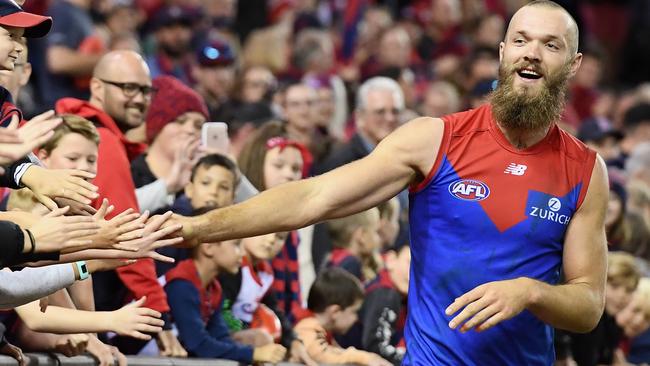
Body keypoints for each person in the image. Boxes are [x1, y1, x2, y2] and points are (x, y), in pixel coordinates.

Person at [175, 1, 608, 364]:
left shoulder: (585, 170)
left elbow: (588, 305)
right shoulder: (435, 139)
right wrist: (197, 227)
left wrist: (530, 292)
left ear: (573, 65)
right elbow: (314, 197)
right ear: (502, 53)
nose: (531, 53)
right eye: (520, 40)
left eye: (550, 45)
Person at [55, 50, 187, 357]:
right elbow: (126, 236)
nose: (140, 99)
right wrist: (159, 317)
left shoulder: (84, 134)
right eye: (128, 88)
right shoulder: (105, 141)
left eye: (145, 90)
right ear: (98, 88)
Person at [164, 236, 287, 363]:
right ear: (208, 247)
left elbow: (221, 337)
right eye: (236, 244)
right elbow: (198, 344)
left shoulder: (214, 288)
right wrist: (253, 353)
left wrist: (251, 354)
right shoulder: (181, 284)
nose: (243, 253)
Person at [294, 268, 392, 366]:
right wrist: (360, 357)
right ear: (335, 311)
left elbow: (336, 352)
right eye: (354, 312)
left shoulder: (323, 330)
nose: (356, 318)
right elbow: (319, 356)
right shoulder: (307, 326)